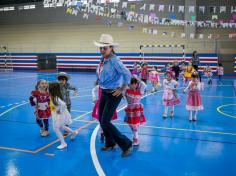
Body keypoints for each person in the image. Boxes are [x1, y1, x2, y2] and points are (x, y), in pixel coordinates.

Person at [94, 34, 132, 157]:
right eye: (101, 48)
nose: (102, 50)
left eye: (105, 48)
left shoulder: (114, 60)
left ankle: (126, 144)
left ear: (111, 48)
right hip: (104, 92)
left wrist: (123, 88)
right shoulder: (102, 59)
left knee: (105, 121)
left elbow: (127, 74)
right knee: (102, 119)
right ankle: (110, 143)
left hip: (113, 93)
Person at [49, 82, 78, 149]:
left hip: (59, 115)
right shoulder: (53, 96)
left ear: (52, 89)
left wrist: (60, 111)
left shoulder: (55, 98)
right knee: (61, 127)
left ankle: (63, 143)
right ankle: (74, 133)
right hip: (55, 114)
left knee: (56, 128)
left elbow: (63, 104)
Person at [124, 77, 146, 146]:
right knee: (131, 124)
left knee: (135, 124)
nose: (134, 85)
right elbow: (122, 87)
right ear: (129, 84)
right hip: (130, 110)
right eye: (132, 84)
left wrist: (138, 79)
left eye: (135, 84)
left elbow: (144, 85)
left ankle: (136, 138)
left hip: (137, 110)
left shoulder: (139, 91)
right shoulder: (126, 91)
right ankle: (135, 136)